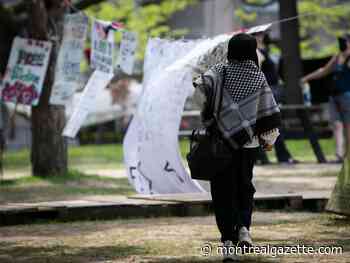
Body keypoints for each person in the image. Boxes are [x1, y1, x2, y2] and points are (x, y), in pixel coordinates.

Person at [194, 33, 281, 262]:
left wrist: (212, 115)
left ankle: (228, 243)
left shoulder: (217, 72)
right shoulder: (257, 76)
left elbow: (200, 95)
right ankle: (244, 228)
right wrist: (269, 140)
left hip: (220, 144)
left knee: (222, 191)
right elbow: (268, 111)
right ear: (252, 51)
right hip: (249, 144)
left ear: (231, 50)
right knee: (244, 186)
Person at [302, 34, 350, 162]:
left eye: (344, 41)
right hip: (334, 96)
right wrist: (307, 78)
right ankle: (339, 155)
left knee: (348, 125)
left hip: (347, 95)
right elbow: (323, 71)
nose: (342, 44)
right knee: (337, 125)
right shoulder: (337, 57)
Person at [253, 30, 299, 164]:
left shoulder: (265, 49)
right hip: (265, 92)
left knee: (272, 125)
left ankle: (277, 155)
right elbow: (256, 71)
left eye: (262, 34)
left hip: (273, 90)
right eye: (258, 34)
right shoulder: (255, 51)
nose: (261, 36)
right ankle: (265, 156)